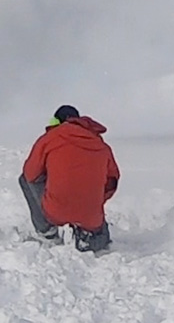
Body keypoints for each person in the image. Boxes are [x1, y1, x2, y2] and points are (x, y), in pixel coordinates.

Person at [19, 104, 120, 252]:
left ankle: (47, 232)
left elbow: (30, 173)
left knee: (24, 179)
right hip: (91, 216)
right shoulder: (101, 145)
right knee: (98, 232)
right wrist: (94, 198)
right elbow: (112, 181)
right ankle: (88, 235)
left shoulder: (49, 139)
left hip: (56, 210)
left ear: (60, 121)